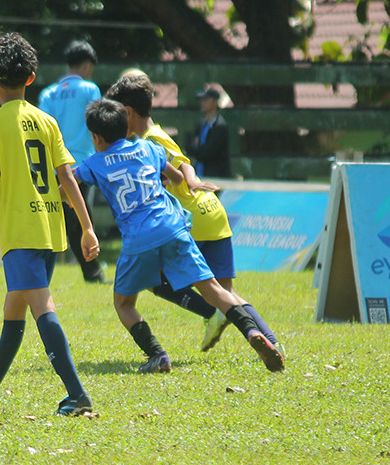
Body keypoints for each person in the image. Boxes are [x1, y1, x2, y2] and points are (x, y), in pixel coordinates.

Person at [74, 99, 283, 374]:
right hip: (173, 226)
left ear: (96, 137)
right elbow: (173, 177)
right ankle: (251, 332)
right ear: (126, 127)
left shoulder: (95, 162)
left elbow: (69, 183)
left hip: (139, 238)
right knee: (215, 290)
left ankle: (157, 355)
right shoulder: (149, 147)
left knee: (123, 303)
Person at [0, 32, 100, 417]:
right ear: (31, 78)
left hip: (20, 231)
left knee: (41, 307)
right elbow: (67, 177)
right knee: (13, 310)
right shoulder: (47, 120)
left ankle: (77, 394)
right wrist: (86, 227)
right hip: (50, 228)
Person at [38, 40, 106, 284]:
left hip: (54, 164)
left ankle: (92, 271)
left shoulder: (48, 93)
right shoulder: (90, 89)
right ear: (87, 65)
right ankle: (93, 270)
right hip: (82, 165)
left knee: (71, 217)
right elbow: (97, 123)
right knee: (78, 217)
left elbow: (42, 129)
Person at [187, 87, 231, 179]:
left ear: (215, 102)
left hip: (215, 179)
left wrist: (197, 148)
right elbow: (189, 146)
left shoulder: (220, 126)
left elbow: (207, 154)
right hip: (199, 176)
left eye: (206, 99)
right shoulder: (201, 125)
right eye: (201, 100)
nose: (202, 103)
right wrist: (197, 148)